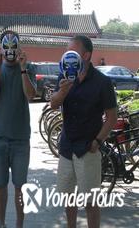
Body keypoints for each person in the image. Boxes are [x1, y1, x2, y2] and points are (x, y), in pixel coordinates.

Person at [50, 35, 117, 228]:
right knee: (68, 199)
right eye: (67, 51)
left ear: (86, 55)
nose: (68, 55)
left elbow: (111, 117)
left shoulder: (102, 82)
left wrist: (97, 142)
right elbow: (53, 105)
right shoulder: (64, 76)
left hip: (88, 149)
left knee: (91, 202)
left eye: (73, 51)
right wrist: (62, 92)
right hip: (66, 147)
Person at [0, 30, 36, 228]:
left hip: (21, 139)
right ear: (0, 48)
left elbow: (30, 95)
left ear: (19, 47)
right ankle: (1, 223)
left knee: (19, 187)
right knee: (0, 185)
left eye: (13, 46)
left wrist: (23, 68)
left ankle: (19, 224)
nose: (9, 51)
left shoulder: (28, 67)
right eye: (5, 47)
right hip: (0, 138)